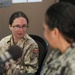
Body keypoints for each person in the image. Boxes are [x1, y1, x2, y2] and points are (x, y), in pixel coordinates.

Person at [40, 2, 75, 75]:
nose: (44, 35)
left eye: (45, 29)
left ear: (55, 32)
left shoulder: (72, 66)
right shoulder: (56, 52)